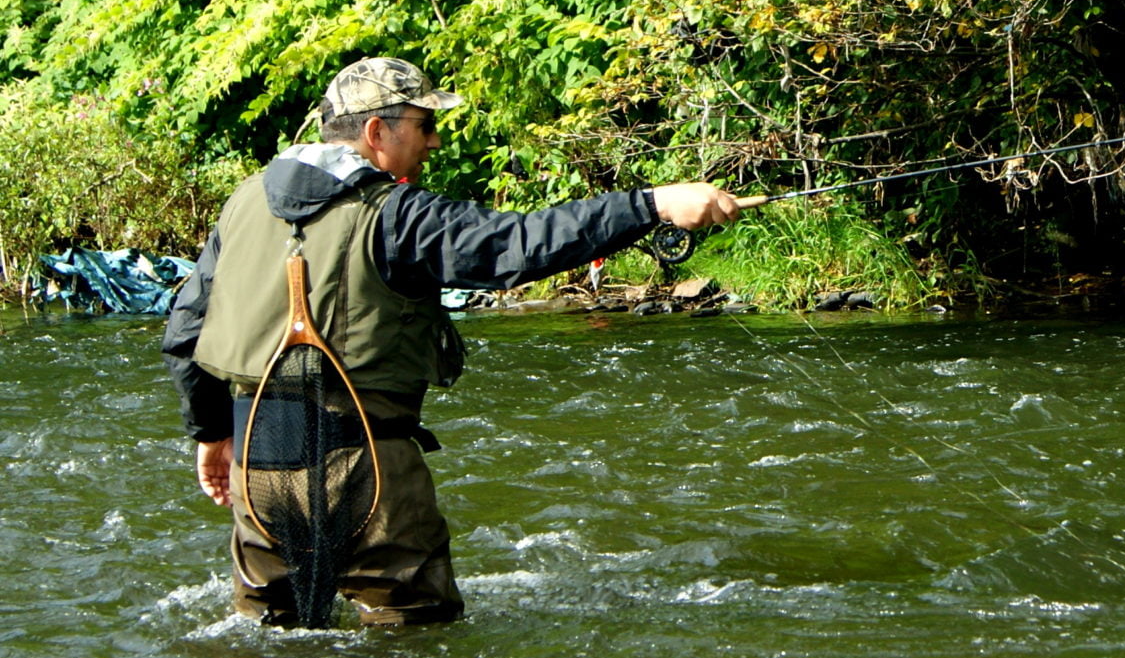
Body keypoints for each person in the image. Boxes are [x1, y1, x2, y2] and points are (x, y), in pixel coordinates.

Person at [162, 57, 739, 625]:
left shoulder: (242, 203)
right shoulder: (397, 215)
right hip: (370, 471)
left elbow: (185, 331)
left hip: (258, 470)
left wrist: (212, 433)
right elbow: (514, 245)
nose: (434, 142)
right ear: (375, 131)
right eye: (425, 125)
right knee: (412, 647)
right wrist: (651, 205)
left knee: (266, 644)